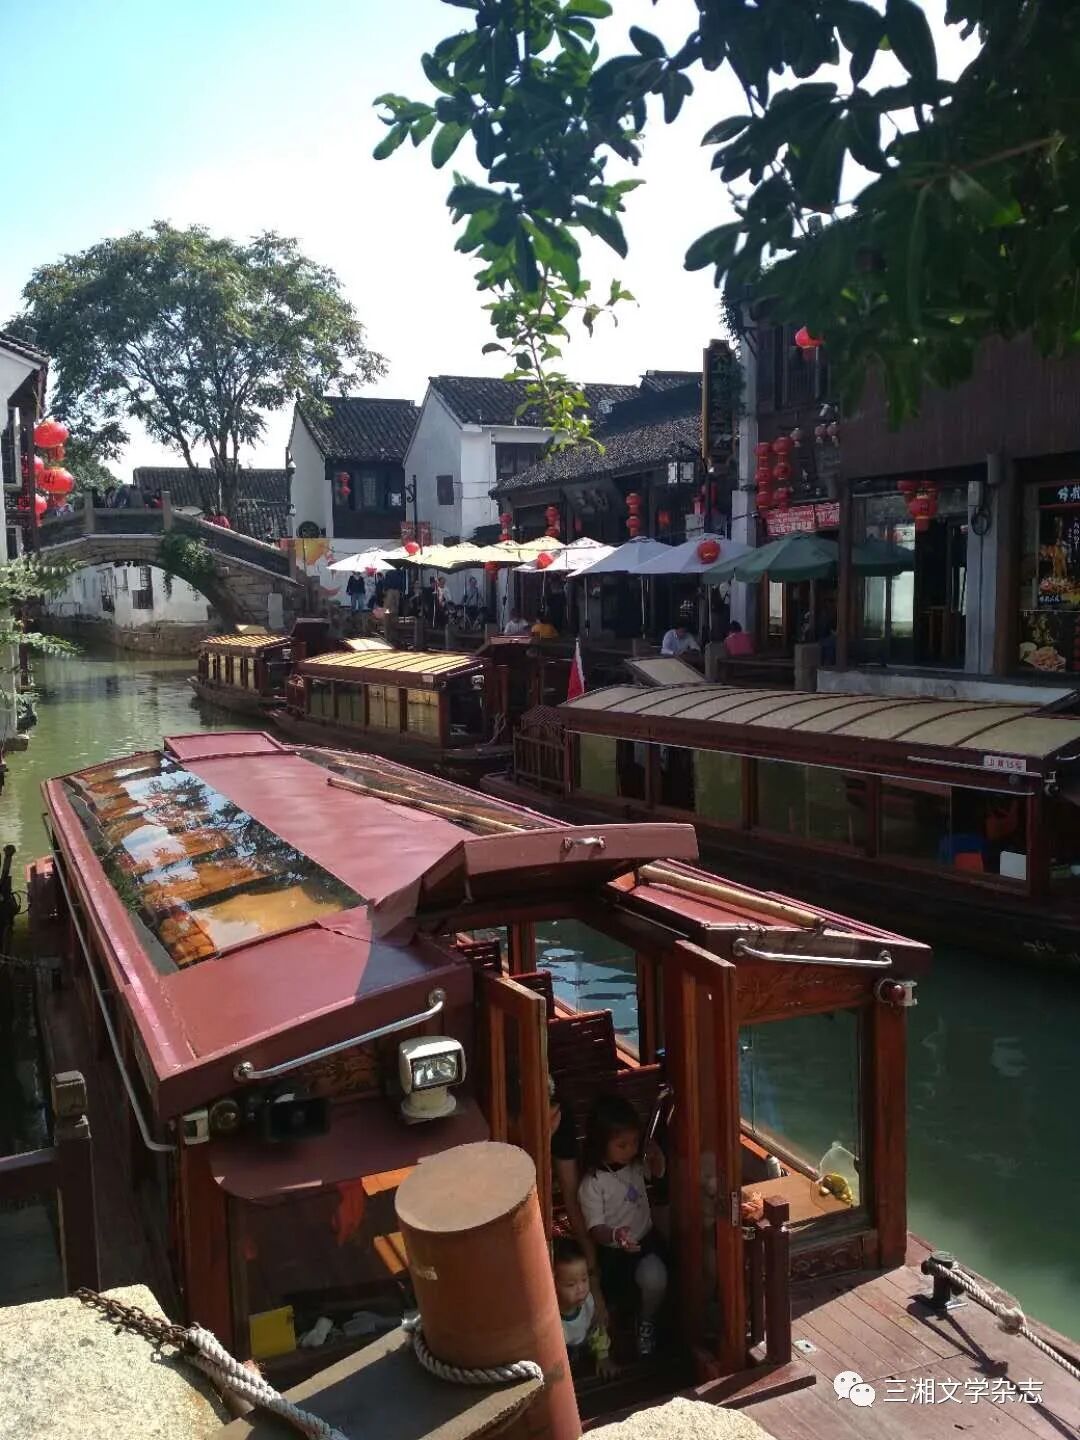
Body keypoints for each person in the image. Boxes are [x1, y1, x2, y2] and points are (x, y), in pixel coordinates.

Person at [579, 1095, 668, 1357]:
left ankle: (646, 1320)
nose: (630, 1150)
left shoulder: (635, 1165)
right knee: (615, 1302)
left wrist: (655, 1154)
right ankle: (611, 1341)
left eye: (634, 1143)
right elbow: (595, 1228)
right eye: (622, 1145)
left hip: (646, 1241)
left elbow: (657, 1172)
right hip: (613, 1253)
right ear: (600, 1144)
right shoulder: (593, 1184)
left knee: (656, 1279)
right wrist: (615, 1235)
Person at [552, 1238, 616, 1378]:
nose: (581, 1289)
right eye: (571, 1284)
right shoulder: (552, 1318)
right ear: (553, 1285)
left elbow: (597, 1329)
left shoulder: (589, 1302)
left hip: (584, 1344)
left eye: (584, 1279)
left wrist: (603, 1357)